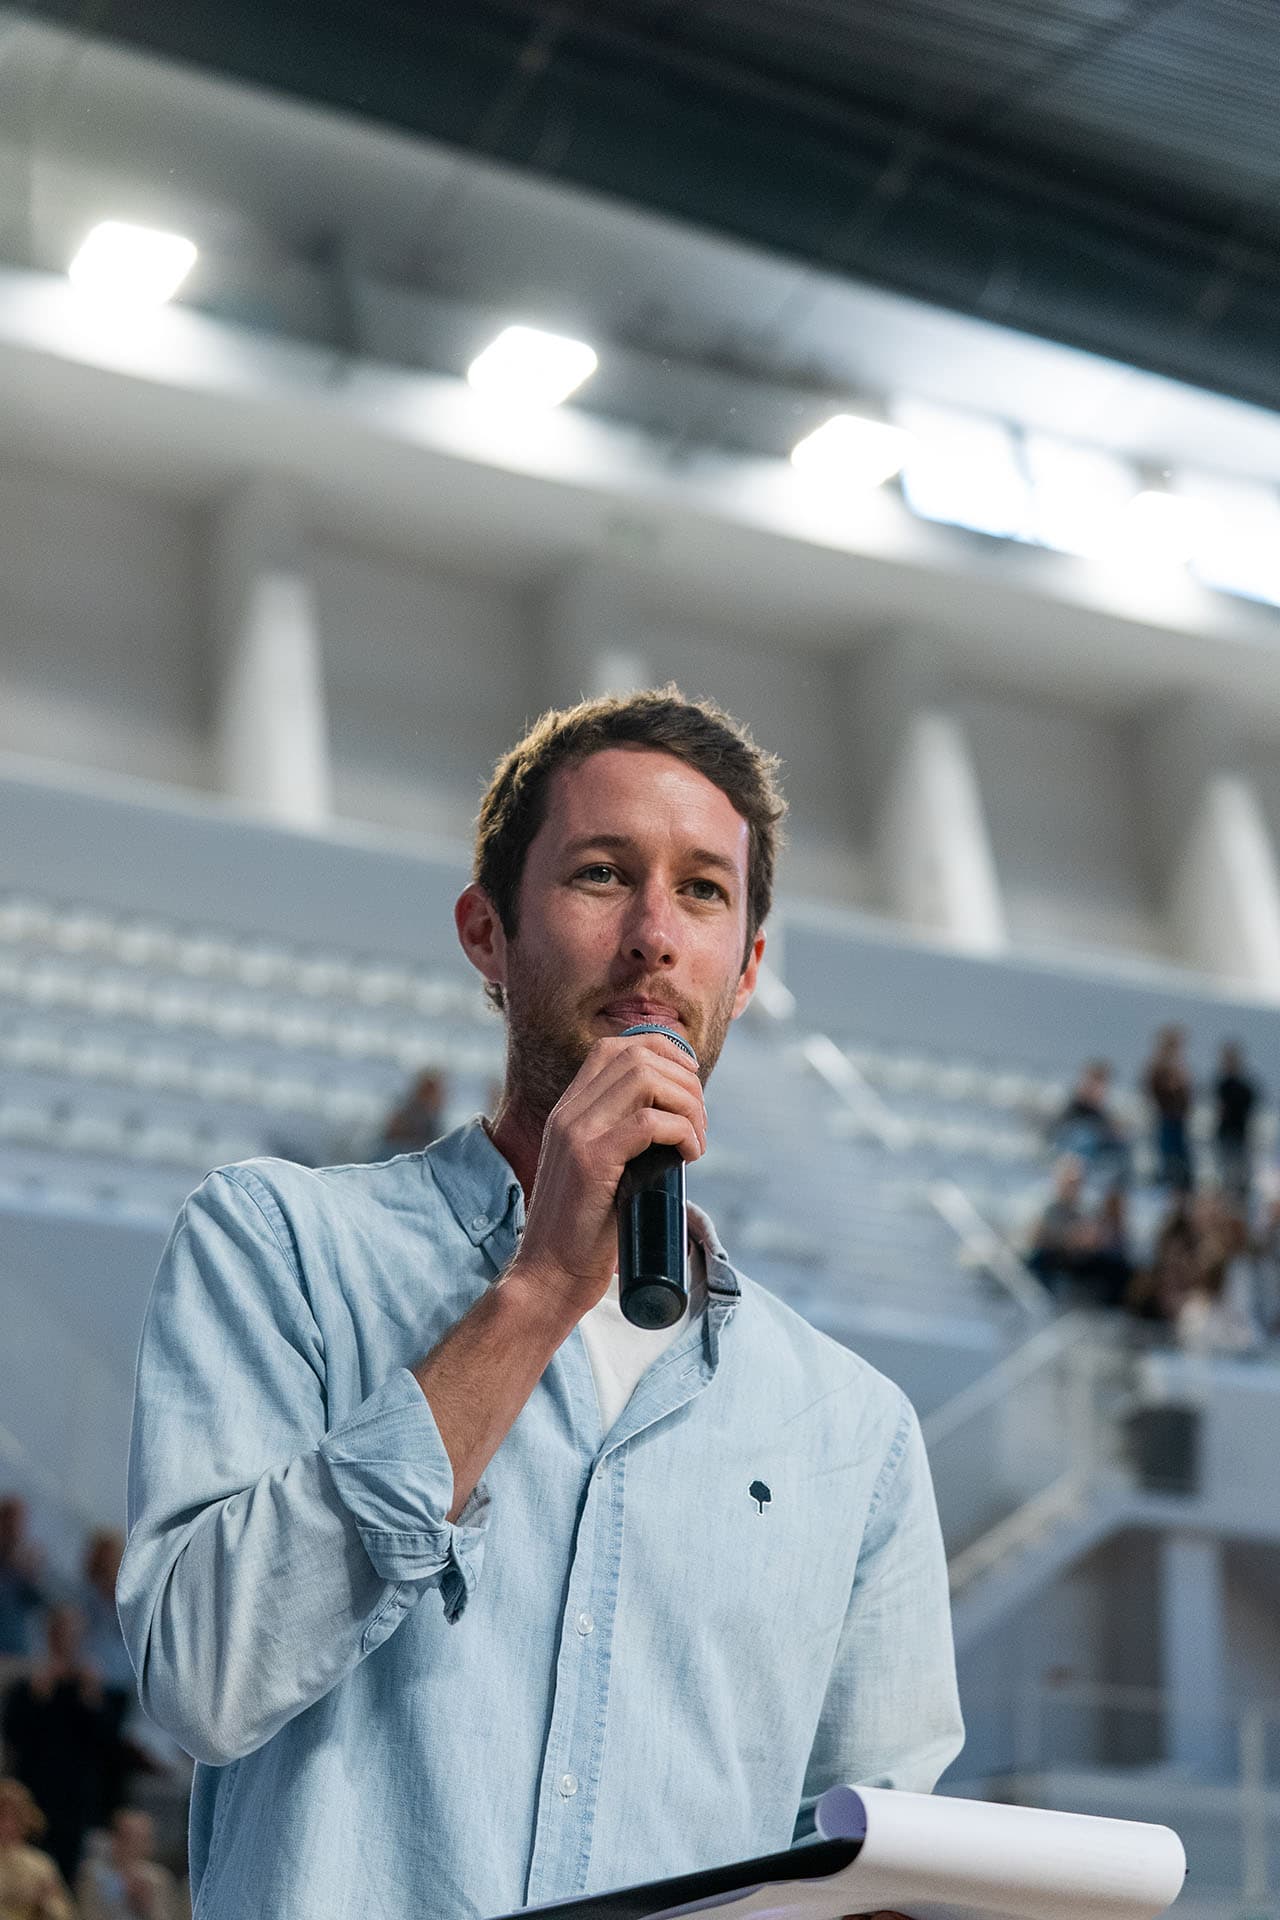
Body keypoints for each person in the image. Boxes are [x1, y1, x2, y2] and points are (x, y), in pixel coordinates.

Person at [119, 687, 961, 1920]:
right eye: (601, 874)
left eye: (703, 893)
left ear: (748, 968)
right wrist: (541, 1290)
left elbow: (869, 1867)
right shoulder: (280, 1244)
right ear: (486, 934)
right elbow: (203, 1676)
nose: (653, 938)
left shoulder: (856, 1432)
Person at [2, 1603, 113, 1885]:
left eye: (74, 1634)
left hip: (74, 1796)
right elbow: (15, 1735)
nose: (69, 1640)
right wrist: (39, 1695)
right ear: (51, 1636)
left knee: (68, 1873)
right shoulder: (31, 1684)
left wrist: (93, 1700)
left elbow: (105, 1745)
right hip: (37, 1789)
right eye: (62, 1633)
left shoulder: (89, 1686)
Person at [76, 1809, 179, 1920]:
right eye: (130, 1837)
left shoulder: (159, 1878)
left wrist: (146, 1906)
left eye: (143, 1839)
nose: (137, 1845)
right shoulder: (92, 1874)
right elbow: (86, 1914)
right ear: (115, 1838)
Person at [0, 1777, 73, 1920]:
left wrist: (46, 1902)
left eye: (16, 1817)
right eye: (2, 1816)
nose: (8, 1825)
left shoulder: (41, 1864)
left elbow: (64, 1913)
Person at [1048, 1060, 1129, 1188]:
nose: (1098, 1090)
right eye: (1094, 1083)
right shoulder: (1072, 1109)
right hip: (1072, 1161)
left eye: (1102, 1085)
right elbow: (1059, 1135)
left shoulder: (1100, 1114)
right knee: (1084, 1136)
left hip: (1094, 1163)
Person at [1143, 1026, 1194, 1192]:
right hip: (1165, 1120)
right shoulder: (1159, 1066)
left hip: (1178, 1121)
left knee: (1181, 1162)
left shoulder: (1177, 1066)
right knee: (1168, 1162)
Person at [1213, 1042, 1259, 1203]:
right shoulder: (1221, 1085)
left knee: (1242, 1178)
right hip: (1226, 1136)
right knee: (1228, 1177)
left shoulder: (1244, 1086)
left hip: (1241, 1136)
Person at [0, 1500, 45, 1661]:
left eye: (18, 1524)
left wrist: (31, 1574)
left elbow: (43, 1604)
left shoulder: (27, 1562)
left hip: (18, 1649)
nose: (14, 1530)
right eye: (9, 1523)